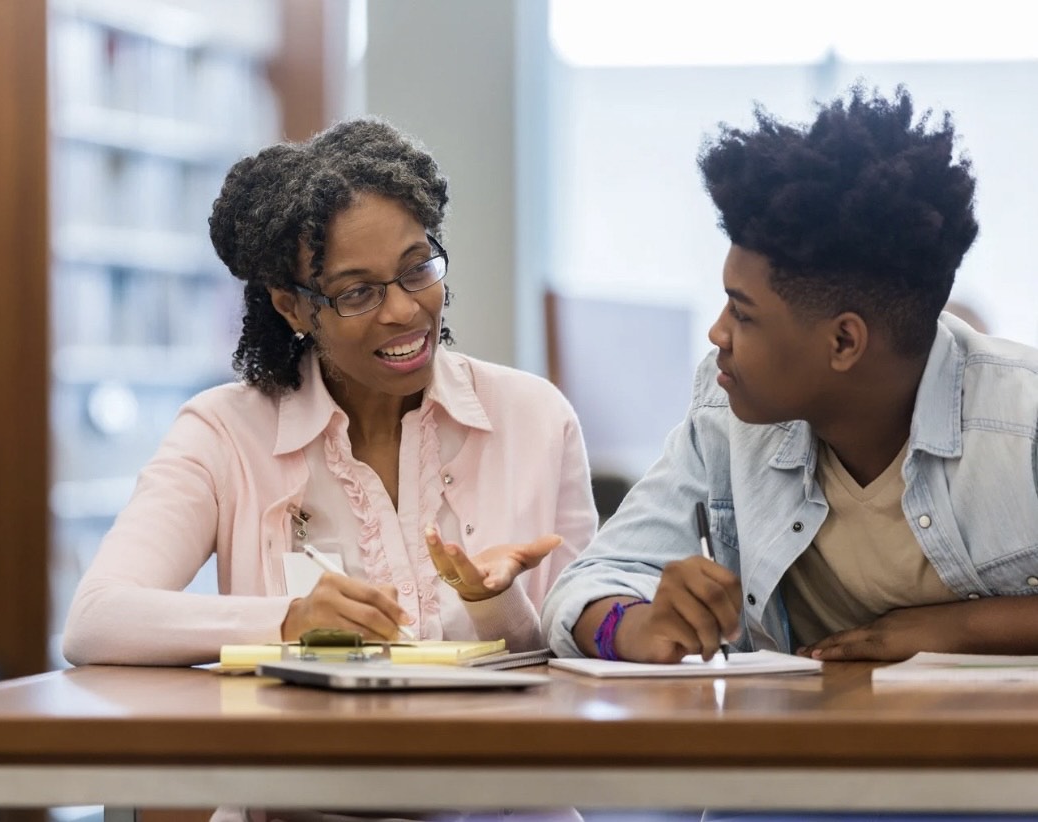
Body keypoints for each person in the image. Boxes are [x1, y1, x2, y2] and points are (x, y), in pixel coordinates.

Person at [544, 82, 1038, 822]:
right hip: (799, 785)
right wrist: (632, 624)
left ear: (843, 340)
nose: (716, 334)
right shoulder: (726, 410)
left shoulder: (1021, 421)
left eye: (742, 313)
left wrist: (952, 628)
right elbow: (592, 581)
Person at [62, 117, 596, 670]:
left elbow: (577, 654)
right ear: (292, 307)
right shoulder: (224, 434)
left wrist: (492, 602)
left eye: (417, 269)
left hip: (502, 753)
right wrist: (289, 621)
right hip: (308, 754)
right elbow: (96, 621)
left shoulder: (535, 418)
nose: (404, 310)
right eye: (357, 292)